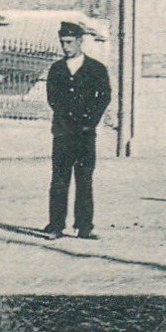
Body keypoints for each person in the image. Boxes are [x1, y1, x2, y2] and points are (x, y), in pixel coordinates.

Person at [43, 21, 111, 240]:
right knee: (59, 179)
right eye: (63, 43)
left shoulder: (96, 69)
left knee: (84, 178)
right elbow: (52, 98)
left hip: (85, 133)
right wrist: (68, 117)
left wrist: (90, 120)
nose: (66, 47)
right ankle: (55, 225)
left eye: (70, 42)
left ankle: (84, 226)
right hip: (63, 132)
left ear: (80, 42)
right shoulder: (56, 69)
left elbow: (104, 97)